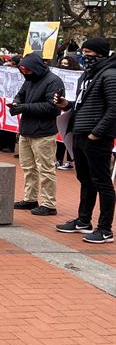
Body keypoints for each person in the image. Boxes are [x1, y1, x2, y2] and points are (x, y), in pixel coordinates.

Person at [54, 37, 116, 244]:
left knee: (102, 183)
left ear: (100, 54)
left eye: (88, 54)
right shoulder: (89, 76)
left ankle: (105, 229)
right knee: (86, 180)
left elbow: (114, 108)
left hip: (96, 137)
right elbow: (83, 104)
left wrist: (96, 133)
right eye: (83, 53)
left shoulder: (109, 75)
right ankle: (83, 220)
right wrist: (66, 105)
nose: (84, 57)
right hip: (80, 133)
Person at [9, 52, 64, 217]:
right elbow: (20, 95)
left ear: (36, 68)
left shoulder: (53, 81)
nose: (25, 73)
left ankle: (49, 203)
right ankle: (30, 198)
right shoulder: (30, 79)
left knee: (45, 169)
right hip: (27, 130)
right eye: (23, 71)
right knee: (28, 168)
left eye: (27, 70)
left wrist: (24, 107)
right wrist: (16, 103)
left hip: (43, 133)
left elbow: (52, 108)